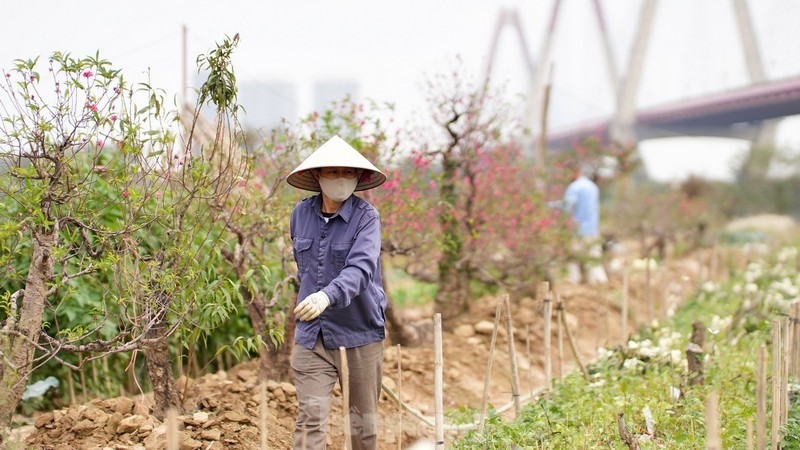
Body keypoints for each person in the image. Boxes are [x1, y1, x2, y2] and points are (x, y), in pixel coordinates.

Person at [286, 135, 388, 450]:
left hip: (359, 332)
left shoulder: (366, 218)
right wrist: (312, 297)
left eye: (348, 173)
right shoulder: (300, 215)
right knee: (310, 420)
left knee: (362, 426)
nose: (341, 180)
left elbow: (360, 270)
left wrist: (327, 295)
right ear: (318, 176)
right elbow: (302, 266)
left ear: (358, 178)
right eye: (332, 172)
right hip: (313, 334)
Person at [563, 162, 608, 284]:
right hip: (592, 229)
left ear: (574, 172)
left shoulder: (574, 187)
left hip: (577, 230)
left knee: (572, 259)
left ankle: (573, 282)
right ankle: (599, 283)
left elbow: (567, 207)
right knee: (593, 259)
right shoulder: (593, 187)